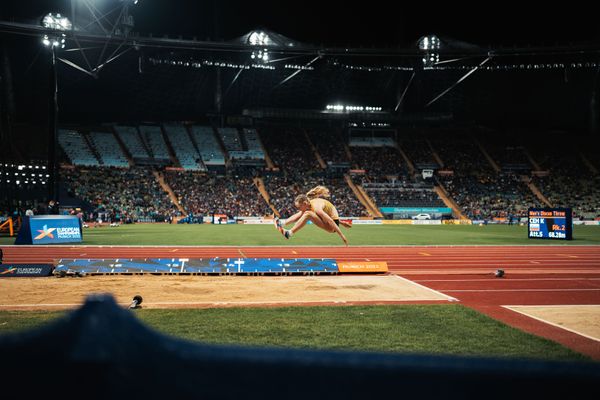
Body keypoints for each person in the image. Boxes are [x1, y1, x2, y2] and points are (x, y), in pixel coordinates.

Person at [275, 185, 351, 246]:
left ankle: (289, 233)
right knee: (304, 213)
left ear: (304, 203)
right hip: (331, 221)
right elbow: (329, 215)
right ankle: (282, 223)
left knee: (307, 214)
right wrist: (342, 222)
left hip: (332, 227)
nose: (298, 209)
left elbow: (330, 220)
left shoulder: (317, 208)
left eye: (299, 207)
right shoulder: (309, 205)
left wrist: (342, 235)